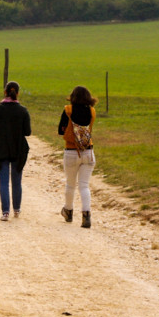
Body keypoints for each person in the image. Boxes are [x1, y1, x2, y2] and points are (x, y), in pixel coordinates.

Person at [0, 81, 31, 221]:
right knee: (17, 181)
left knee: (4, 182)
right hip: (18, 149)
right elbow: (27, 132)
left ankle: (5, 212)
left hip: (1, 149)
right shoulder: (23, 110)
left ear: (5, 92)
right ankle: (16, 209)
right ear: (17, 93)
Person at [59, 85, 97, 228]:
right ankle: (86, 215)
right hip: (88, 151)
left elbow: (60, 130)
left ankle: (68, 211)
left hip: (71, 151)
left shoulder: (68, 110)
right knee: (84, 185)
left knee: (70, 184)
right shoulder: (92, 111)